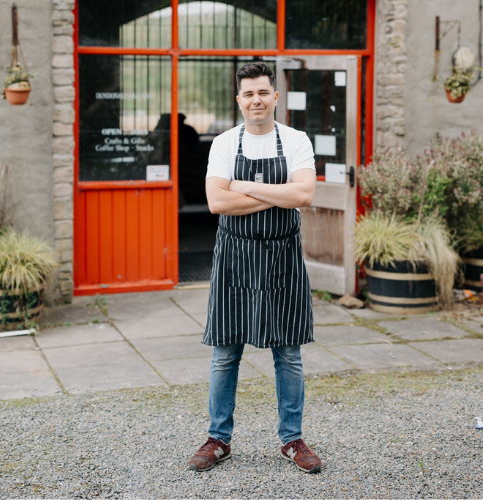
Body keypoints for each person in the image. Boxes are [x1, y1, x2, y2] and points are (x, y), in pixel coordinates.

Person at [188, 62, 321, 474]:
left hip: (283, 256)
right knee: (225, 353)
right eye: (248, 94)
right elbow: (217, 203)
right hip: (235, 256)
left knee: (289, 353)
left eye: (263, 92)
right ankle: (218, 438)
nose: (256, 100)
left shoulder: (297, 140)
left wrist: (242, 186)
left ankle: (292, 439)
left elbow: (306, 195)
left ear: (275, 97)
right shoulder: (226, 143)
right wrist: (281, 195)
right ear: (239, 100)